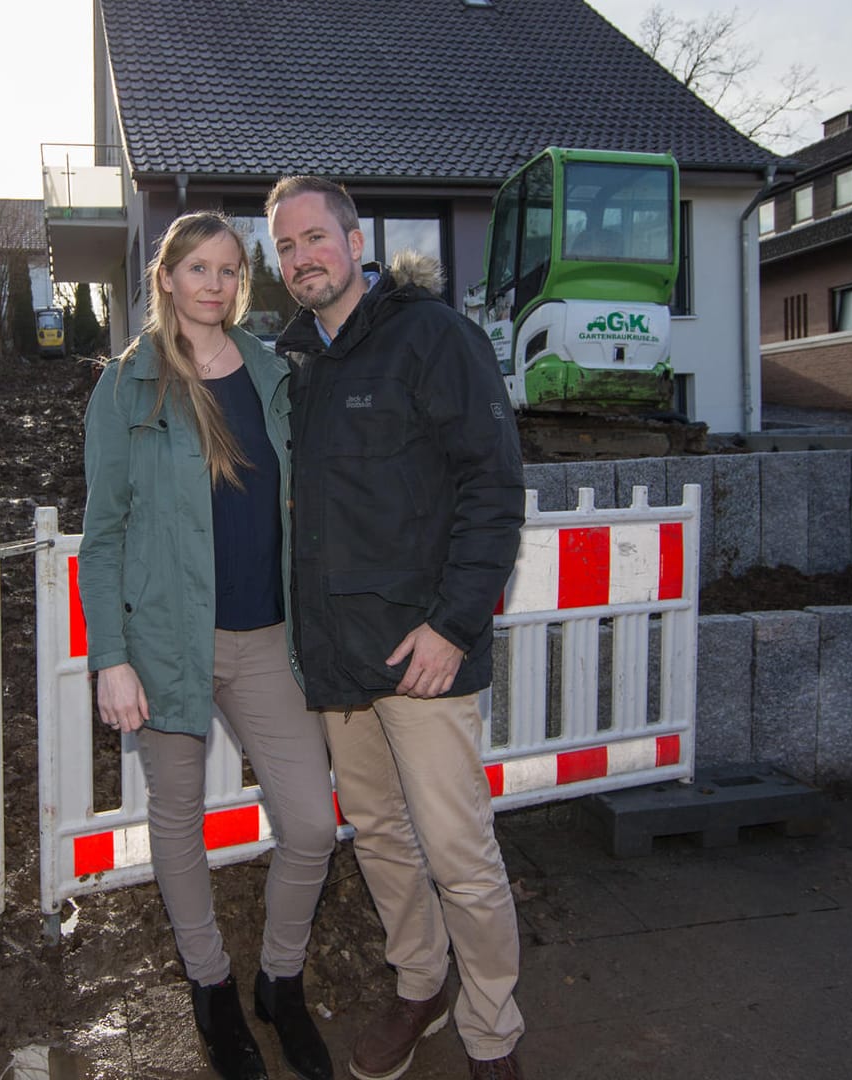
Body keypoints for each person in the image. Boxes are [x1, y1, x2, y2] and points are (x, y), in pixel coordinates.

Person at [266, 177, 528, 1080]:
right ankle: (422, 986)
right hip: (340, 662)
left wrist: (453, 626)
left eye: (315, 237)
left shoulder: (433, 337)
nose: (303, 257)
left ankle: (491, 1030)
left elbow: (493, 490)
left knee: (459, 853)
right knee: (378, 836)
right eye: (286, 247)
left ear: (354, 239)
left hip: (423, 658)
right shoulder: (293, 366)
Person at [80, 211, 337, 1080]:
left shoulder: (274, 373)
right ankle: (211, 986)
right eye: (198, 268)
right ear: (166, 277)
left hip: (268, 639)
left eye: (230, 270)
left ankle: (280, 979)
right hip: (166, 642)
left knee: (310, 825)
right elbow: (103, 532)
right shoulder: (129, 385)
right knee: (178, 822)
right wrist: (109, 655)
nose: (215, 285)